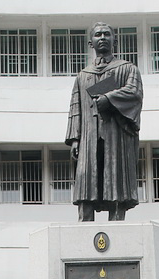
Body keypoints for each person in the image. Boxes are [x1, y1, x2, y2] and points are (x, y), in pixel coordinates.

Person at [66, 23, 142, 223]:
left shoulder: (127, 69)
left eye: (107, 34)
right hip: (89, 138)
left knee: (115, 180)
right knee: (86, 181)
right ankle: (84, 224)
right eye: (98, 34)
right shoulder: (83, 76)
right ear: (90, 42)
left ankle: (117, 224)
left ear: (114, 40)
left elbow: (134, 93)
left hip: (116, 135)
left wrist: (109, 98)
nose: (102, 37)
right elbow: (76, 108)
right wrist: (75, 139)